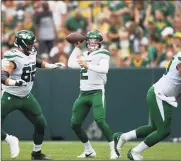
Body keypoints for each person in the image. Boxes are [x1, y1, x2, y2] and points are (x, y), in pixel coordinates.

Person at [114, 32, 181, 160]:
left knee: (154, 128)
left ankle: (123, 137)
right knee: (164, 130)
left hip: (163, 96)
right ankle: (135, 152)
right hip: (160, 95)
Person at [1, 30, 65, 160]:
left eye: (32, 43)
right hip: (9, 96)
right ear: (21, 43)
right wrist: (13, 82)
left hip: (26, 96)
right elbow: (3, 75)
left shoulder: (31, 51)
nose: (32, 45)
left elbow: (34, 61)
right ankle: (9, 140)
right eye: (29, 43)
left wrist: (49, 65)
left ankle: (36, 154)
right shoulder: (12, 56)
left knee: (41, 124)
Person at [68, 30, 118, 159]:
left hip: (97, 91)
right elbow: (71, 64)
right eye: (90, 40)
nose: (92, 43)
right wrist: (76, 49)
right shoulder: (84, 54)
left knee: (100, 120)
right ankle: (88, 150)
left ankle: (114, 149)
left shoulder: (103, 53)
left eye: (95, 40)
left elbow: (104, 69)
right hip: (83, 93)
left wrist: (87, 65)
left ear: (100, 42)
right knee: (75, 124)